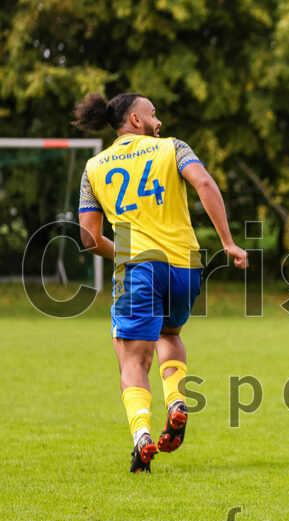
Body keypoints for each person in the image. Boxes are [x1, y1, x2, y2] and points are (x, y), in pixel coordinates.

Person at [74, 93, 248, 473]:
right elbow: (203, 182)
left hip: (139, 266)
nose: (160, 121)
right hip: (185, 265)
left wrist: (125, 251)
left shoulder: (93, 167)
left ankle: (141, 438)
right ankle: (175, 401)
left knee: (132, 356)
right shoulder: (173, 149)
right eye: (153, 114)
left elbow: (88, 237)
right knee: (170, 335)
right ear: (134, 119)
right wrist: (228, 243)